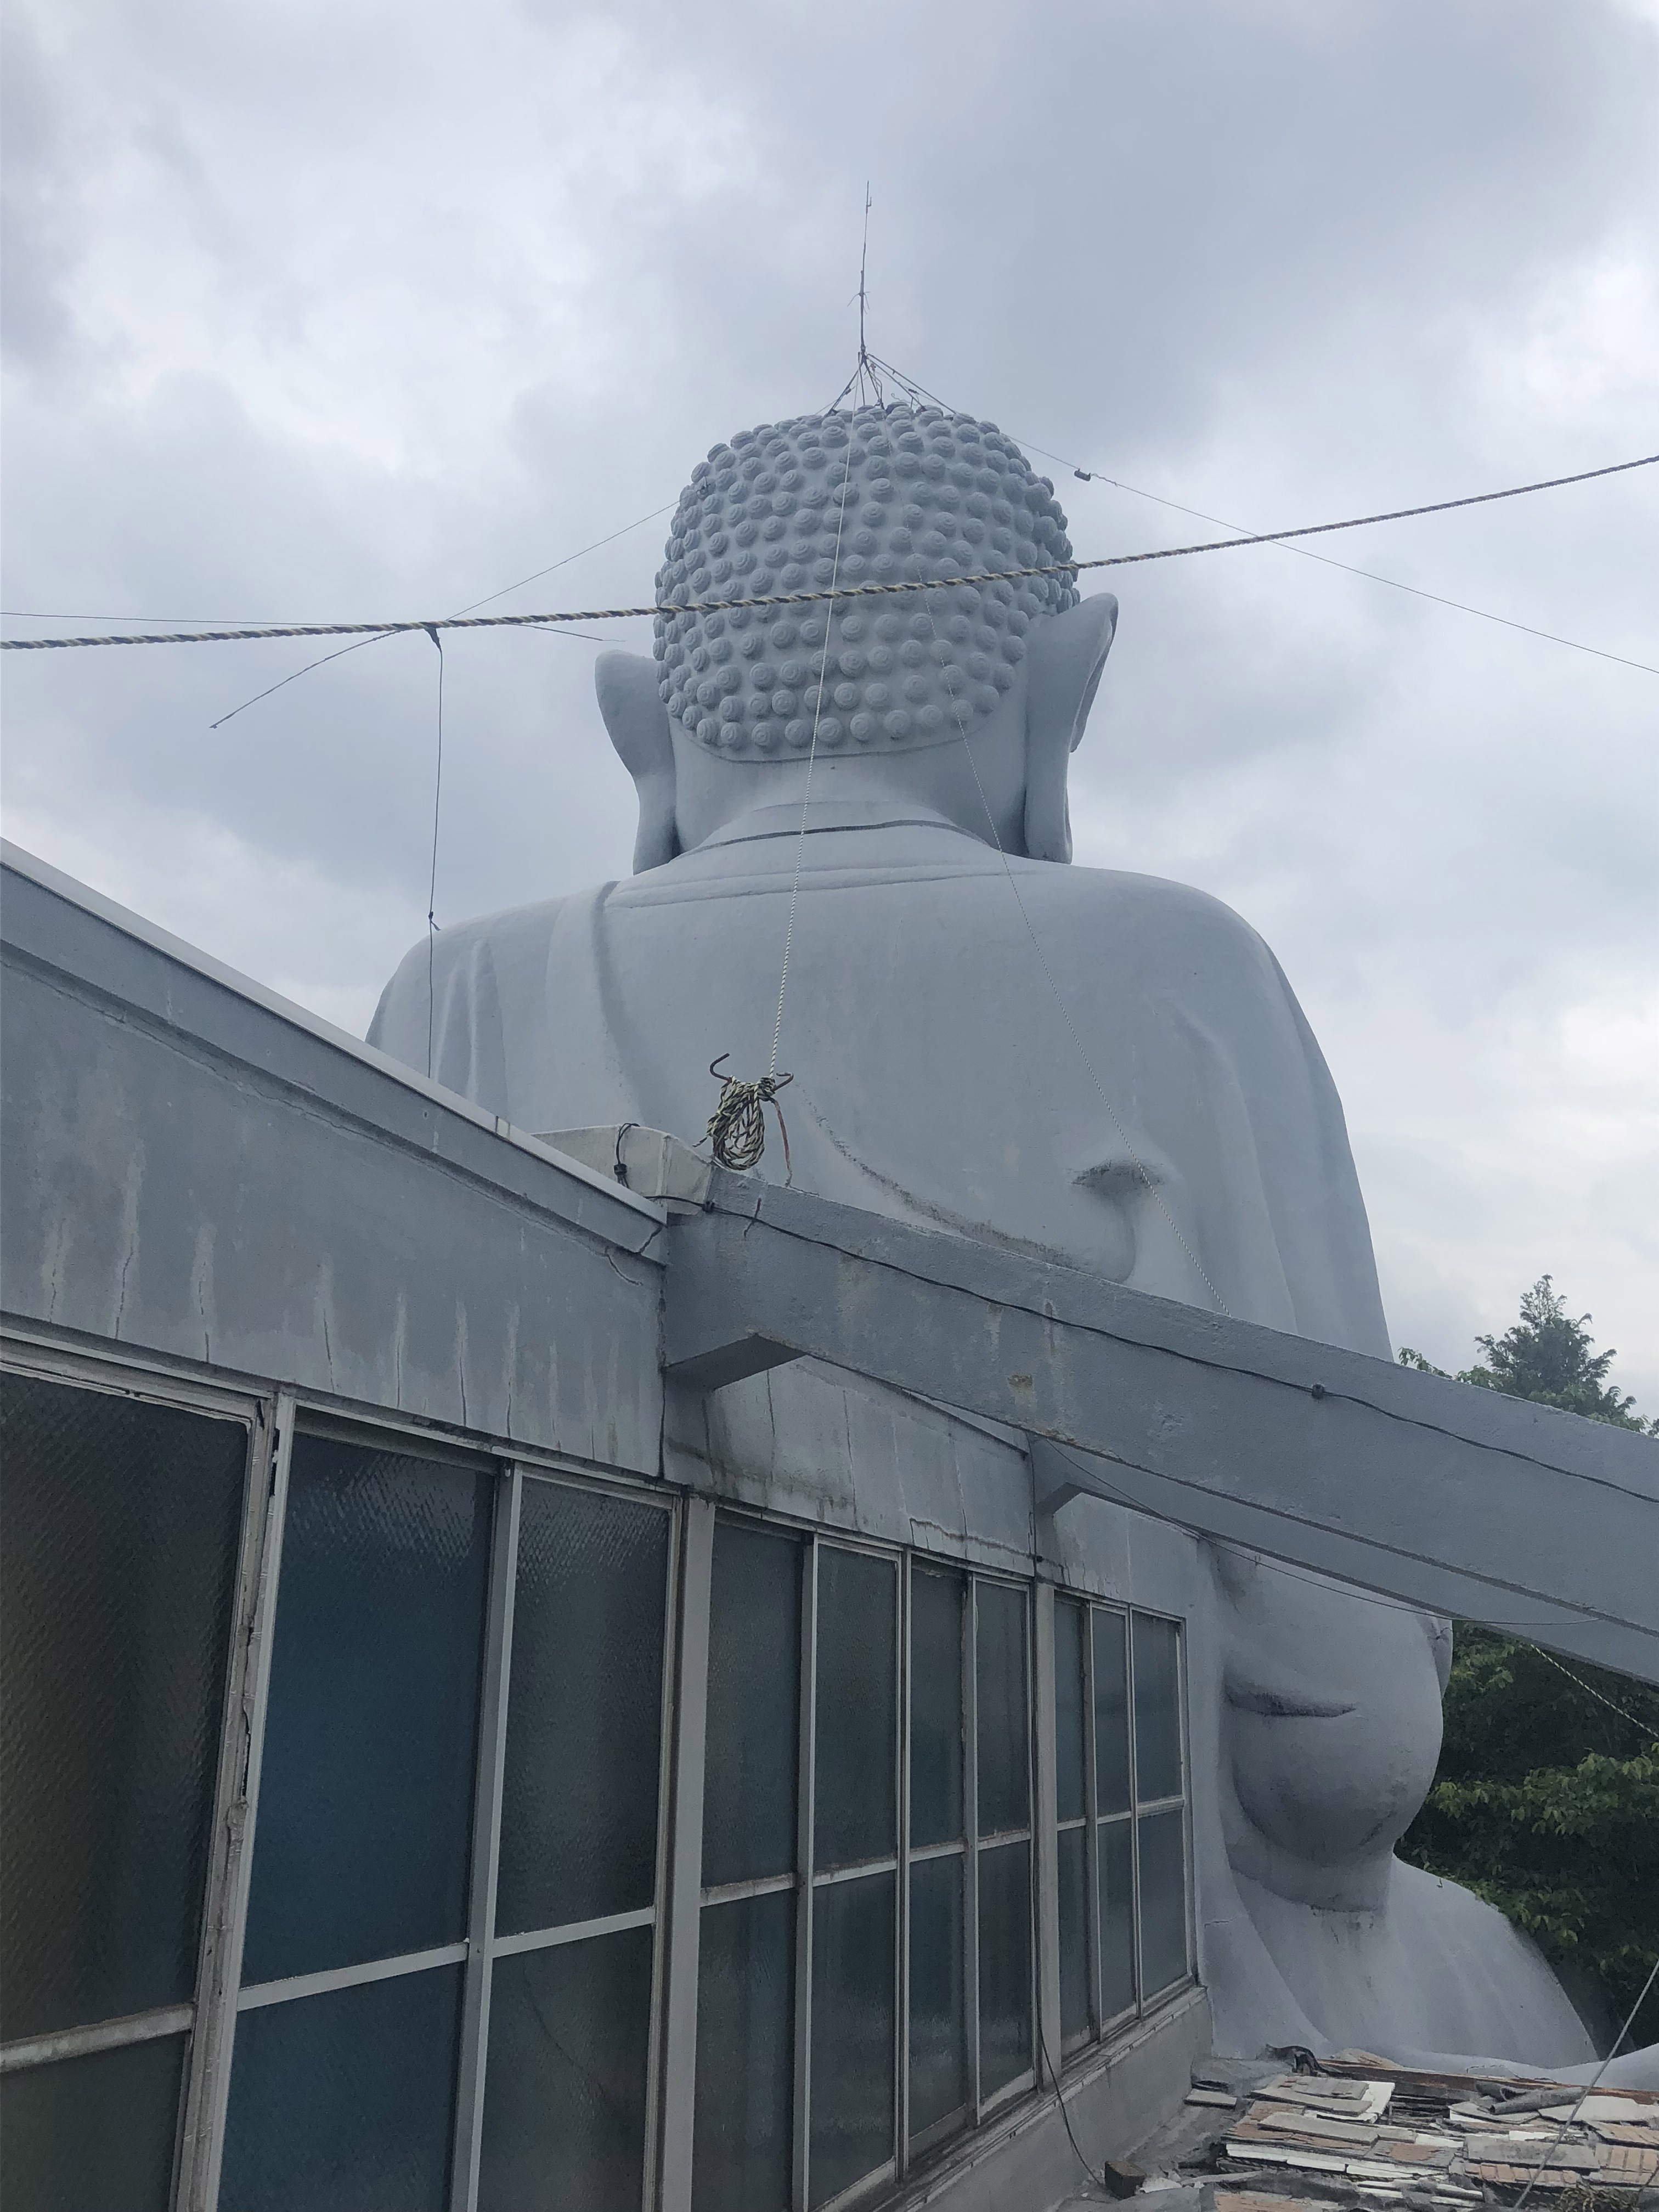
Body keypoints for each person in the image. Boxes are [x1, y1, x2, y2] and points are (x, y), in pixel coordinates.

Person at [370, 403, 1617, 2072]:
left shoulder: (452, 993)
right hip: (1083, 1984)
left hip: (490, 1972)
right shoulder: (1176, 971)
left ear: (639, 724)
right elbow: (1345, 1756)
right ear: (1064, 688)